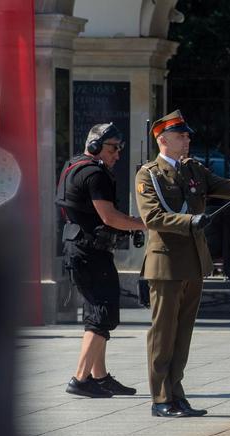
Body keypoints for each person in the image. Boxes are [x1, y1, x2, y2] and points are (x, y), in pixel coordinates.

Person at [135, 110, 230, 418]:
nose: (187, 139)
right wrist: (190, 220)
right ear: (163, 139)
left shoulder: (194, 170)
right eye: (181, 135)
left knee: (183, 332)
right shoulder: (149, 175)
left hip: (193, 263)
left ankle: (177, 392)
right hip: (166, 264)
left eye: (187, 135)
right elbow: (152, 218)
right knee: (163, 333)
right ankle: (161, 397)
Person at [57, 123, 146, 398]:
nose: (117, 154)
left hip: (79, 249)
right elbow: (109, 217)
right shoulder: (96, 174)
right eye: (113, 148)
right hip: (90, 252)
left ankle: (100, 376)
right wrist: (143, 224)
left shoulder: (74, 165)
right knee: (103, 313)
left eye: (119, 148)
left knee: (96, 312)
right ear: (95, 145)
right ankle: (80, 379)